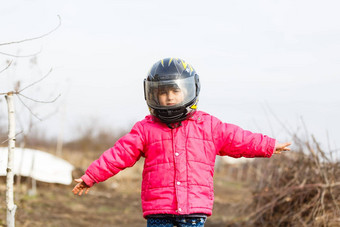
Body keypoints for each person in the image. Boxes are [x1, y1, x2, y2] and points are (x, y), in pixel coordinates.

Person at [72, 58, 291, 227]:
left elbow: (239, 139)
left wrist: (269, 145)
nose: (169, 97)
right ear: (152, 95)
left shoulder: (209, 126)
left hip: (194, 209)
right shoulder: (145, 129)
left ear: (188, 90)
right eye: (162, 92)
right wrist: (91, 176)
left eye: (174, 91)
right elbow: (119, 154)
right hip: (159, 209)